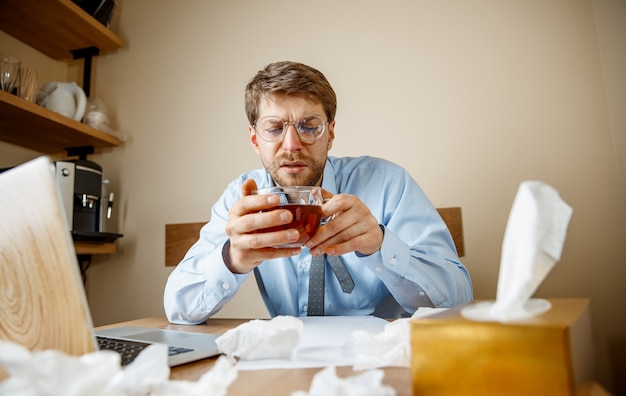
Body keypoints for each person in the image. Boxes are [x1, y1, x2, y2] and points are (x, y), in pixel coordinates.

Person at [164, 61, 473, 324]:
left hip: (379, 362)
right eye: (274, 128)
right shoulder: (242, 199)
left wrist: (380, 244)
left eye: (309, 125)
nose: (292, 144)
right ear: (255, 139)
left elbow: (458, 301)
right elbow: (178, 308)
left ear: (331, 133)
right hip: (287, 365)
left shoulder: (389, 184)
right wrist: (231, 259)